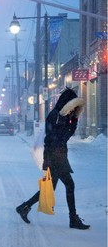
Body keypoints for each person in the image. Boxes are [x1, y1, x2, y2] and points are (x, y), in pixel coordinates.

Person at [16, 88, 90, 230]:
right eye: (72, 105)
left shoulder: (63, 116)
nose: (74, 109)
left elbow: (65, 137)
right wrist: (47, 163)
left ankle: (24, 207)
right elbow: (56, 139)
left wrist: (73, 120)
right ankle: (73, 219)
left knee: (50, 189)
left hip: (58, 156)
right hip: (54, 157)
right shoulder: (56, 116)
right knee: (69, 185)